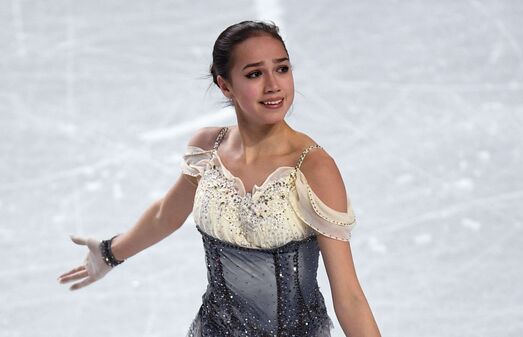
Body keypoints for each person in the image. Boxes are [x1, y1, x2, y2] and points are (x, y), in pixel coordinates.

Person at [57, 20, 381, 337]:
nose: (274, 85)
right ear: (225, 85)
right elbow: (166, 214)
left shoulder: (313, 168)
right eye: (255, 73)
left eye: (282, 68)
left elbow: (350, 296)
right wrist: (110, 252)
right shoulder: (207, 147)